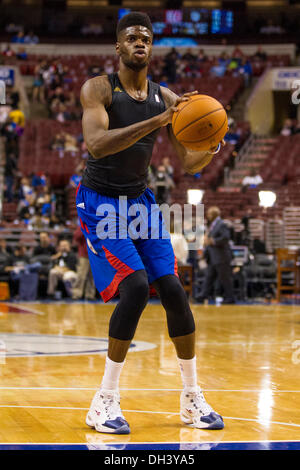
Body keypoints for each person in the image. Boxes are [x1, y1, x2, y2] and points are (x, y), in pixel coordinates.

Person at [77, 11, 225, 435]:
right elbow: (97, 144)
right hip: (101, 203)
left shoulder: (168, 97)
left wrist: (213, 140)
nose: (139, 42)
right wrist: (159, 120)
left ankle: (192, 399)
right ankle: (103, 402)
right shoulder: (99, 89)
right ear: (118, 47)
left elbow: (189, 162)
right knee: (138, 286)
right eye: (131, 37)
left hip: (140, 202)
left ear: (152, 47)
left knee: (175, 290)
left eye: (146, 37)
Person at [198, 207, 235, 304]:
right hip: (213, 256)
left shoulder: (221, 224)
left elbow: (226, 237)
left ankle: (230, 298)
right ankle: (203, 295)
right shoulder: (213, 225)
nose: (208, 216)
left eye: (209, 214)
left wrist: (212, 241)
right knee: (209, 277)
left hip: (221, 257)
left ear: (214, 214)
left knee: (225, 278)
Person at [72, 225, 95, 300]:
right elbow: (76, 237)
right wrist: (84, 229)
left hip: (94, 254)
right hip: (84, 255)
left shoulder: (95, 224)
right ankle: (76, 294)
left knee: (92, 276)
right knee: (81, 275)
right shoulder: (83, 225)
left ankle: (90, 294)